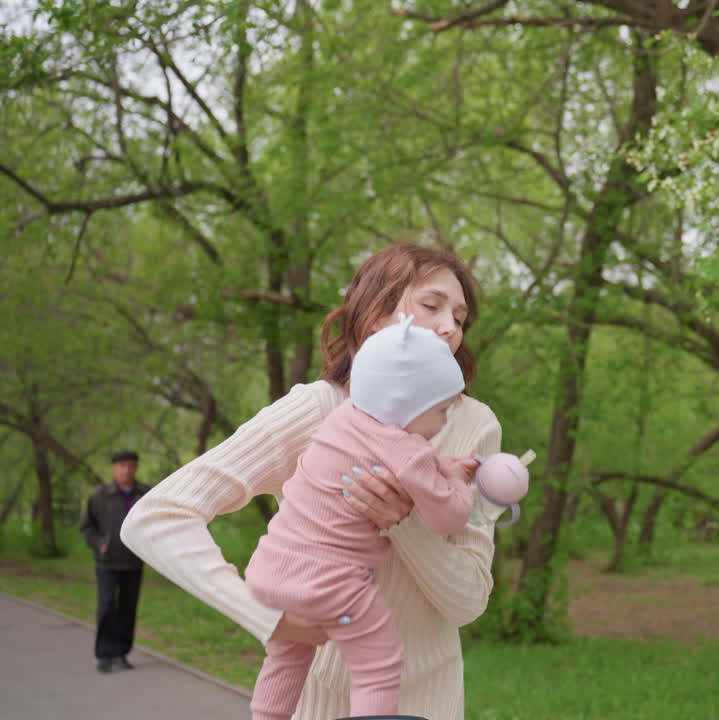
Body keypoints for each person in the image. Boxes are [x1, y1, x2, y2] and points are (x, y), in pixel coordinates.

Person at [122, 243, 510, 720]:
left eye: (460, 317)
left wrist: (402, 522)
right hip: (317, 704)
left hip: (431, 704)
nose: (450, 326)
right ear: (374, 316)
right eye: (432, 305)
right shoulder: (318, 409)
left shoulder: (475, 426)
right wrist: (269, 618)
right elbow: (156, 517)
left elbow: (468, 602)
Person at [245, 315, 475, 720]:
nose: (444, 422)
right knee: (378, 666)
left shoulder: (344, 419)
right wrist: (457, 482)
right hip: (333, 586)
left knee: (288, 656)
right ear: (408, 404)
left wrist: (440, 467)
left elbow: (398, 456)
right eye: (441, 410)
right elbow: (449, 517)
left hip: (274, 570)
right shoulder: (409, 453)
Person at [80, 449, 151, 673]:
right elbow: (86, 528)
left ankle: (121, 653)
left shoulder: (146, 494)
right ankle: (104, 654)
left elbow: (154, 523)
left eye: (130, 465)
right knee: (107, 606)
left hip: (134, 562)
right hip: (107, 563)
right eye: (122, 466)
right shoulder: (99, 496)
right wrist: (99, 543)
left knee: (128, 609)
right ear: (113, 468)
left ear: (136, 468)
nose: (126, 470)